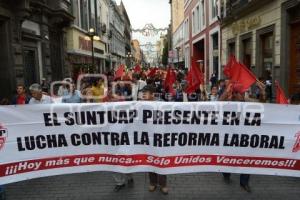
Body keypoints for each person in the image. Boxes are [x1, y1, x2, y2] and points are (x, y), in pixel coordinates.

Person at [141, 85, 169, 195]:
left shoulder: (161, 103)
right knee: (150, 160)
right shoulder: (140, 105)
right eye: (142, 93)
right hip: (147, 138)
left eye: (145, 93)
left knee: (161, 160)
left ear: (152, 94)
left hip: (160, 137)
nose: (143, 95)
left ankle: (163, 184)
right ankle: (153, 183)